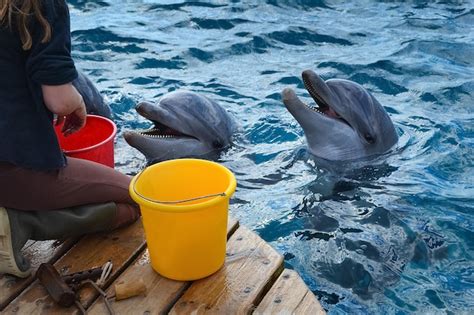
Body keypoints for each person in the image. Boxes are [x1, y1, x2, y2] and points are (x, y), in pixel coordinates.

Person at [0, 0, 140, 278]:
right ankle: (20, 222)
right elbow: (59, 99)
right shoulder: (40, 5)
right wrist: (75, 101)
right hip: (12, 168)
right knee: (137, 199)